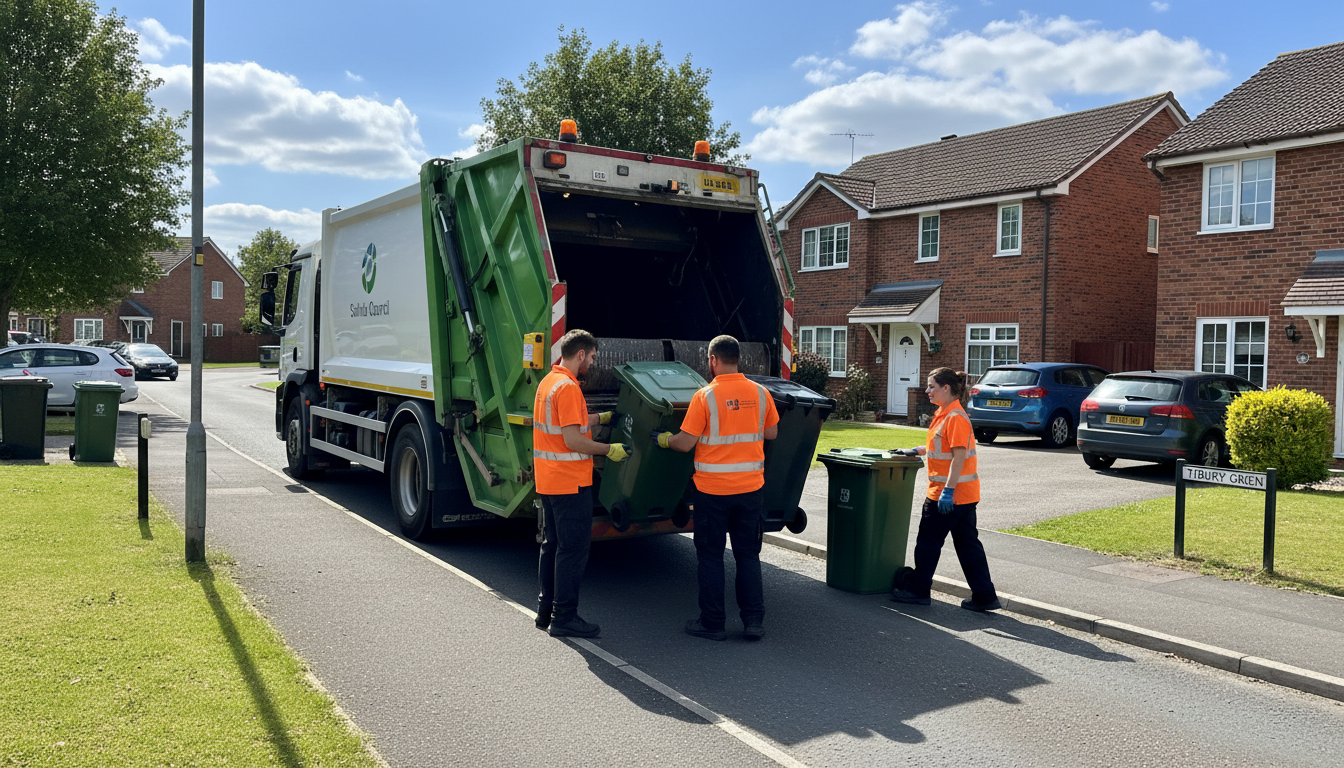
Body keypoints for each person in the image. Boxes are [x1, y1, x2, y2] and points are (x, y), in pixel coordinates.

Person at [653, 335, 779, 641]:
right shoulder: (761, 393)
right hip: (750, 490)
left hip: (713, 492)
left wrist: (663, 439)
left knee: (710, 557)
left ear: (712, 360)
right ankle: (753, 622)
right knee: (747, 556)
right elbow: (772, 432)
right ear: (739, 359)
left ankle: (713, 623)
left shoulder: (705, 397)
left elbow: (685, 444)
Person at [533, 329, 630, 638]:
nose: (592, 362)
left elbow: (569, 423)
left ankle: (545, 610)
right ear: (580, 354)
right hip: (570, 484)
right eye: (592, 357)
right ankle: (565, 617)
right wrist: (608, 450)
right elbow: (573, 439)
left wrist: (601, 418)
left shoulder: (549, 383)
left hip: (549, 481)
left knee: (552, 547)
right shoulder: (570, 388)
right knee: (572, 551)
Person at [891, 367, 1001, 612]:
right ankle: (984, 596)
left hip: (946, 495)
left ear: (946, 388)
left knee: (928, 543)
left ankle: (919, 590)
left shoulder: (954, 417)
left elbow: (958, 457)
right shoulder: (945, 413)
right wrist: (915, 450)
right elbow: (941, 446)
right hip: (964, 495)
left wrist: (948, 492)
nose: (927, 391)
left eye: (931, 386)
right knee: (967, 545)